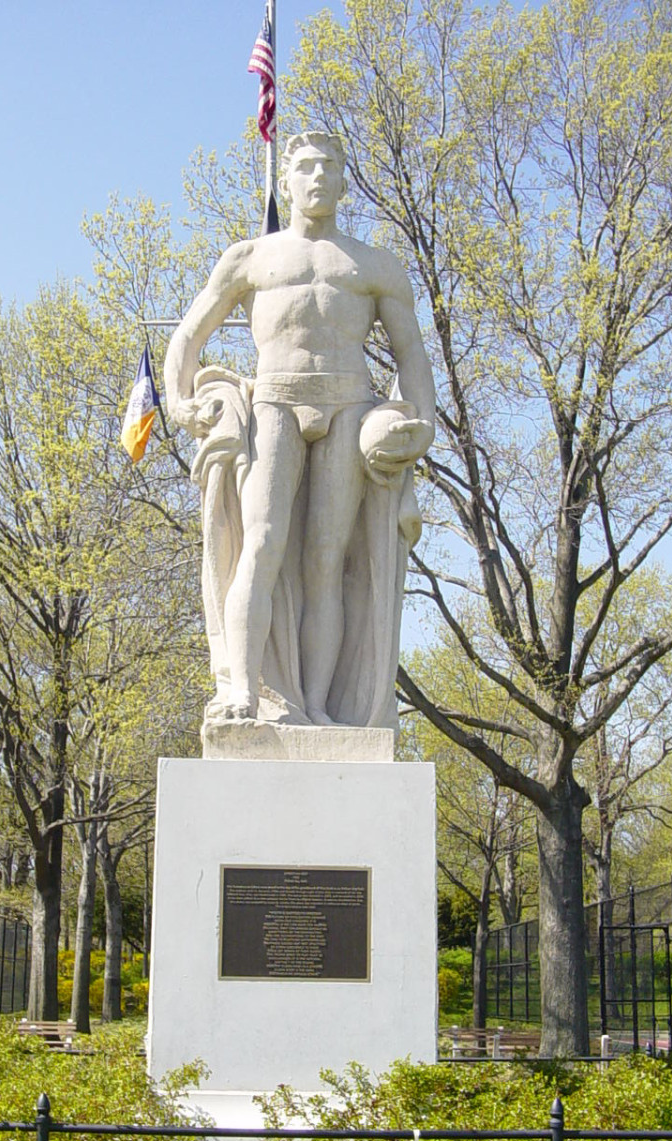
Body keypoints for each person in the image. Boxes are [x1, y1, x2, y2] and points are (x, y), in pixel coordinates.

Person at [164, 131, 435, 728]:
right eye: (305, 168)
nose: (316, 177)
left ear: (343, 182)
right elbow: (188, 334)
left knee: (326, 561)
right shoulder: (250, 258)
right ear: (285, 182)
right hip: (276, 403)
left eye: (328, 168)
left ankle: (316, 706)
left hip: (348, 406)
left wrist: (421, 428)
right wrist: (179, 401)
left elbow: (413, 356)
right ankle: (244, 692)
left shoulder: (374, 266)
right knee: (258, 546)